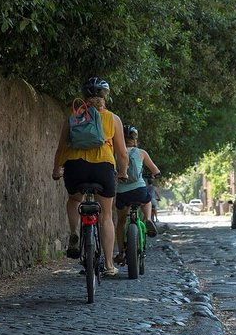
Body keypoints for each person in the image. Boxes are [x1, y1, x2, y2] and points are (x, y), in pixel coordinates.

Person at [52, 77, 129, 277]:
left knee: (74, 199)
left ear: (85, 96)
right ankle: (110, 265)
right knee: (105, 215)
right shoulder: (113, 118)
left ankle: (75, 233)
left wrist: (56, 170)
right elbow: (122, 153)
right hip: (103, 168)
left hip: (75, 167)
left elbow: (61, 148)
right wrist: (123, 172)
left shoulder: (74, 117)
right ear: (105, 96)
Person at [114, 125, 160, 265]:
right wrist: (155, 174)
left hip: (122, 192)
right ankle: (147, 218)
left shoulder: (115, 152)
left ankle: (121, 253)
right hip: (139, 190)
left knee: (121, 222)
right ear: (135, 138)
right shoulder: (141, 153)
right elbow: (155, 170)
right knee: (147, 200)